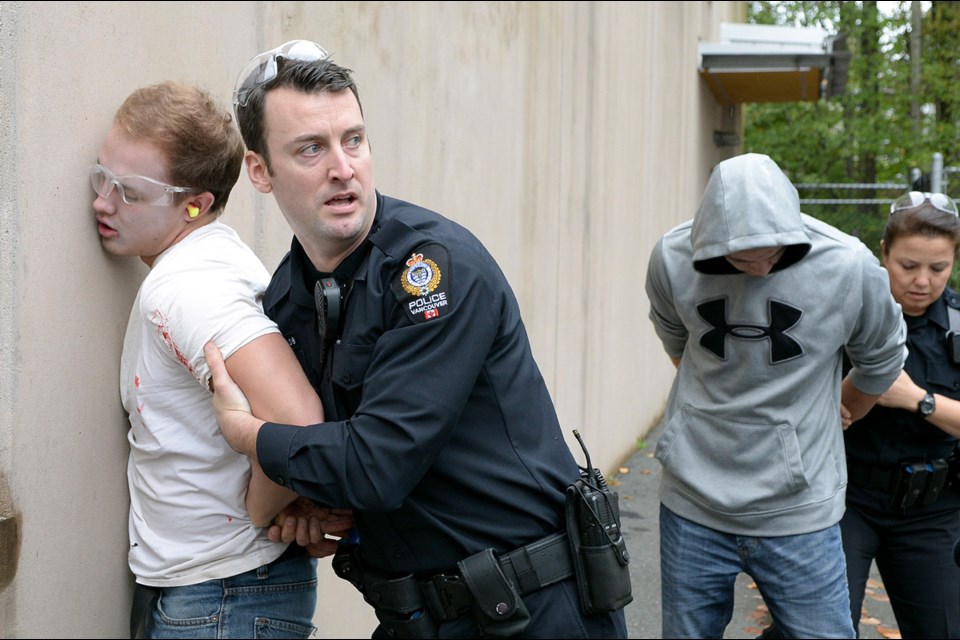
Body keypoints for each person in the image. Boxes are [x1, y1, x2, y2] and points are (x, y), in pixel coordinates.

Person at [201, 39, 630, 639]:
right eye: (310, 149)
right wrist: (314, 509)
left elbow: (378, 465)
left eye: (353, 139)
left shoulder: (434, 269)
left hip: (531, 611)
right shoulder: (287, 298)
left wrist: (250, 436)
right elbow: (347, 456)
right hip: (418, 615)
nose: (342, 168)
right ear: (259, 171)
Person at [92, 80, 351, 639]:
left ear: (196, 203)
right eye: (101, 178)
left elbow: (296, 420)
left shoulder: (189, 287)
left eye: (130, 191)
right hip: (222, 588)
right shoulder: (214, 260)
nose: (102, 203)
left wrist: (259, 515)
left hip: (223, 595)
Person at [644, 152, 907, 639]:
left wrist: (846, 406)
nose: (761, 270)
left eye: (776, 253)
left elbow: (883, 356)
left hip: (800, 512)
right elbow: (675, 339)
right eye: (743, 259)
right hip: (692, 500)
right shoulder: (670, 257)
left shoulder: (848, 265)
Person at [840, 191, 960, 638]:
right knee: (818, 626)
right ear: (883, 252)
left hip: (933, 509)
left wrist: (918, 399)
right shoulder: (845, 313)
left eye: (938, 268)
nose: (923, 281)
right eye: (908, 266)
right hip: (846, 500)